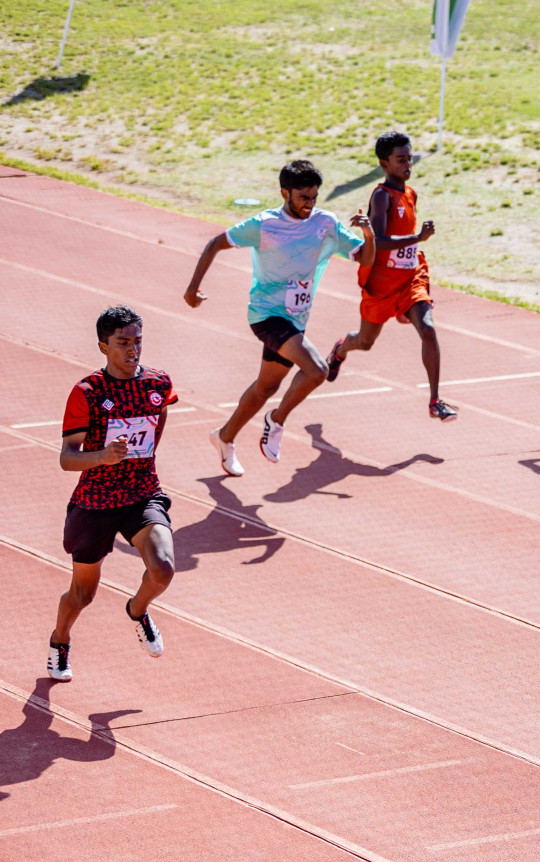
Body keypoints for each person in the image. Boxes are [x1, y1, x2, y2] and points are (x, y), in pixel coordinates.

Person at [184, 159, 375, 472]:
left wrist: (369, 234)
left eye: (314, 197)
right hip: (266, 315)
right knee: (317, 370)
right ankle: (276, 420)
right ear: (285, 192)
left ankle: (224, 436)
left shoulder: (325, 222)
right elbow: (215, 243)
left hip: (296, 317)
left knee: (266, 387)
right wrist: (193, 287)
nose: (309, 204)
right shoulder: (264, 224)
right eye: (303, 198)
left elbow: (366, 258)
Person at [49, 307, 179, 681]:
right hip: (95, 503)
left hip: (141, 494)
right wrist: (104, 457)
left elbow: (158, 420)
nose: (132, 349)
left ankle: (137, 610)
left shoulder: (157, 384)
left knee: (163, 569)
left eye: (137, 341)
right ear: (103, 346)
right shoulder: (87, 393)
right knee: (83, 595)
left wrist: (143, 460)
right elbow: (67, 458)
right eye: (123, 342)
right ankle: (60, 641)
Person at [325, 131, 457, 422]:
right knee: (364, 341)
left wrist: (414, 243)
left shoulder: (410, 193)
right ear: (384, 163)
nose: (407, 164)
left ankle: (435, 400)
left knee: (428, 329)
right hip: (381, 285)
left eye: (410, 158)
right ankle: (340, 350)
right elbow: (379, 240)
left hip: (410, 278)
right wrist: (418, 238)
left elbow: (403, 238)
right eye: (400, 160)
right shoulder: (382, 196)